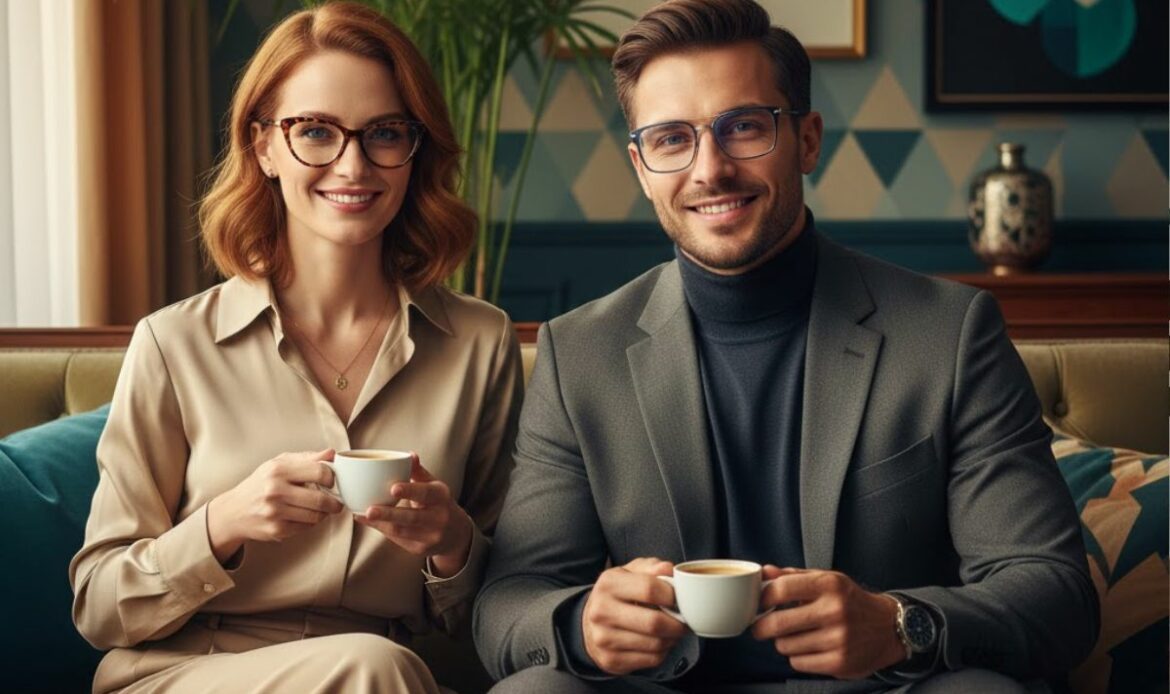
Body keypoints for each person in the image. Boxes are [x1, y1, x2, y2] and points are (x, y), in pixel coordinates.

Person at [473, 0, 1097, 692]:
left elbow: (1054, 592)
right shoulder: (578, 353)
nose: (710, 169)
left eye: (743, 127)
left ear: (806, 139)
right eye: (672, 139)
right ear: (642, 166)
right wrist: (580, 626)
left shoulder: (950, 333)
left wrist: (896, 624)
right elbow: (509, 604)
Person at [69, 3, 522, 692]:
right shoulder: (173, 343)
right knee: (375, 668)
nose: (353, 164)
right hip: (186, 672)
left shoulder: (480, 344)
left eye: (385, 133)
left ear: (415, 150)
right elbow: (100, 606)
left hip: (383, 672)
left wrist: (452, 543)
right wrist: (224, 523)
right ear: (264, 147)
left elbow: (510, 605)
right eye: (315, 131)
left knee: (375, 666)